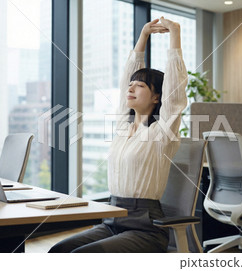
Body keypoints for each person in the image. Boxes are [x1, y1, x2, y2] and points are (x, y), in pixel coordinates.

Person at [48, 17, 188, 253]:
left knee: (81, 256)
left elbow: (174, 91)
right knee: (59, 251)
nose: (131, 88)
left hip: (146, 227)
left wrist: (175, 34)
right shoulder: (123, 127)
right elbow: (127, 77)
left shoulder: (162, 131)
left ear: (157, 97)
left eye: (140, 86)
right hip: (113, 221)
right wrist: (143, 36)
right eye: (131, 85)